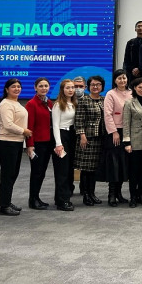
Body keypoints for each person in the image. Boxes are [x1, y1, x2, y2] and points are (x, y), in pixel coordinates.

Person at [0, 78, 31, 216]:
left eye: (18, 86)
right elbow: (8, 124)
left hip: (16, 142)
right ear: (6, 89)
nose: (17, 89)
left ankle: (7, 201)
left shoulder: (16, 103)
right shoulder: (5, 104)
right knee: (7, 174)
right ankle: (4, 206)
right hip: (7, 142)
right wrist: (24, 131)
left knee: (12, 174)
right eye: (13, 86)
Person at [122, 77, 142, 207]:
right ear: (135, 88)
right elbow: (126, 123)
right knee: (134, 171)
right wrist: (127, 142)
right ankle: (133, 197)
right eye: (140, 87)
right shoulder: (129, 103)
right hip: (135, 140)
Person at [74, 75, 106, 206]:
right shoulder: (84, 100)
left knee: (94, 169)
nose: (95, 87)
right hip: (87, 139)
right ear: (89, 86)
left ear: (102, 86)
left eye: (98, 84)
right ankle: (86, 194)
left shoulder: (104, 100)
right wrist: (82, 136)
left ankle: (92, 193)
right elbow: (79, 120)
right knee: (86, 169)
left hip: (100, 139)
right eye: (93, 84)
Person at [102, 69, 132, 206]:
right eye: (119, 78)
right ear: (115, 80)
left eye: (124, 78)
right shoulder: (111, 94)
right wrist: (114, 132)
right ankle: (112, 194)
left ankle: (119, 194)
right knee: (114, 164)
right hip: (115, 132)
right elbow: (108, 115)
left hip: (128, 131)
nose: (122, 80)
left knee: (123, 163)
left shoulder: (131, 93)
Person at [25, 77, 55, 210]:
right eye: (41, 86)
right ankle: (32, 199)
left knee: (42, 172)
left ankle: (37, 197)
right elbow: (29, 126)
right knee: (36, 172)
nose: (44, 88)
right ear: (35, 88)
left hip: (48, 142)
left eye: (46, 86)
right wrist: (30, 145)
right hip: (37, 143)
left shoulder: (49, 102)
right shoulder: (31, 104)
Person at [51, 79, 76, 211]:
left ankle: (62, 197)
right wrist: (58, 144)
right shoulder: (57, 105)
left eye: (72, 87)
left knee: (69, 169)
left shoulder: (74, 103)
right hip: (61, 136)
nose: (70, 90)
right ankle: (62, 201)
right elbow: (55, 125)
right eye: (68, 88)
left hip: (71, 136)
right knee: (62, 171)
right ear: (62, 89)